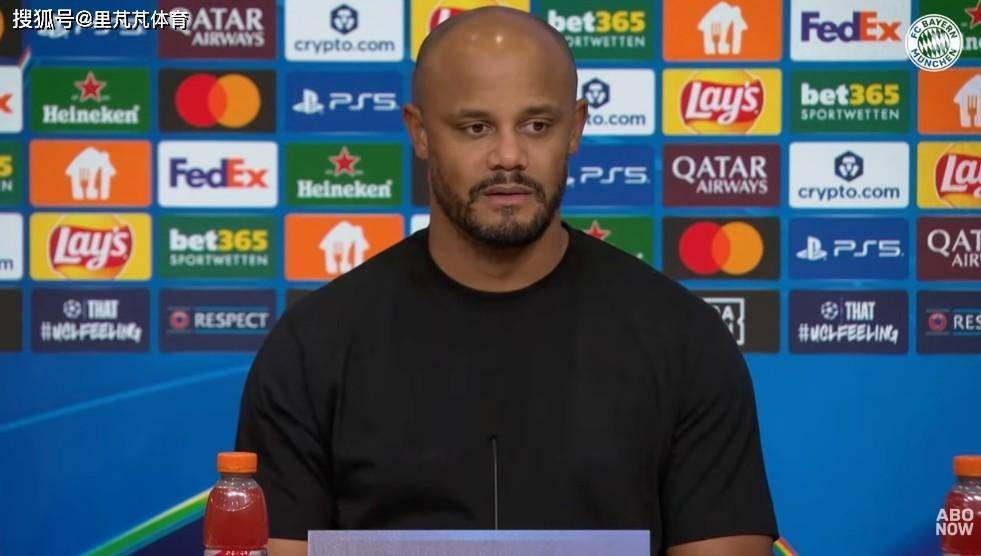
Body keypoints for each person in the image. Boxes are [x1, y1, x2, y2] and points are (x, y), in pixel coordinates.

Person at [236, 7, 778, 556]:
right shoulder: (314, 347)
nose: (509, 157)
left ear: (576, 128)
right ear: (420, 133)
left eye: (537, 125)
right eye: (476, 127)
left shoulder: (683, 340)